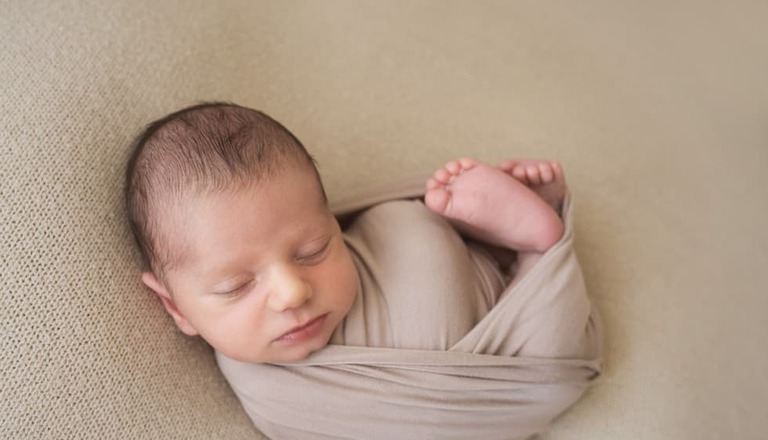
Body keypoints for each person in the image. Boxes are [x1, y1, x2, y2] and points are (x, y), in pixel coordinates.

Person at [125, 102, 567, 364]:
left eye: (313, 250)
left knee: (405, 224)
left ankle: (511, 237)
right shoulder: (271, 395)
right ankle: (532, 246)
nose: (293, 293)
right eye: (235, 286)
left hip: (430, 256)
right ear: (175, 306)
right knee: (552, 347)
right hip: (490, 349)